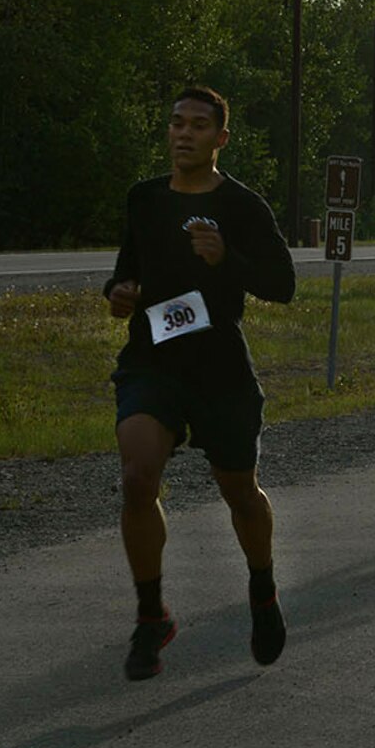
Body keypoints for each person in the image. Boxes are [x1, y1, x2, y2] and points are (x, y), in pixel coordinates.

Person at [103, 87, 297, 682]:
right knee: (138, 477)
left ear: (221, 139)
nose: (183, 133)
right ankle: (149, 616)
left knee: (240, 493)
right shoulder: (145, 199)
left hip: (219, 370)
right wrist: (120, 294)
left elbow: (281, 285)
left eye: (198, 126)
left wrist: (225, 262)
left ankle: (262, 590)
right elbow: (125, 272)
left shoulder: (242, 206)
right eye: (176, 123)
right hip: (152, 359)